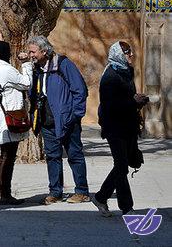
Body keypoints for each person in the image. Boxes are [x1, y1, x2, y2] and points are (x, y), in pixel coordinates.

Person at [27, 36, 90, 205]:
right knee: (52, 157)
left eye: (33, 51)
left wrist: (74, 115)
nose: (30, 54)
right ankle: (55, 192)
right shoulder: (37, 69)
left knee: (74, 155)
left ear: (44, 51)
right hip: (47, 122)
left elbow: (80, 90)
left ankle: (82, 191)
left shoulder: (63, 64)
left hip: (67, 121)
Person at [92, 41, 148, 217]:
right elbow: (110, 105)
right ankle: (126, 207)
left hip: (128, 125)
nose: (130, 55)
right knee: (122, 166)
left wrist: (137, 100)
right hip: (114, 127)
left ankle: (101, 197)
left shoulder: (126, 71)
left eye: (130, 52)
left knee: (123, 165)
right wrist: (133, 102)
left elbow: (126, 96)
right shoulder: (110, 77)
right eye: (127, 53)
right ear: (118, 54)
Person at [0, 41, 33, 205]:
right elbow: (26, 83)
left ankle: (2, 192)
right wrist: (26, 65)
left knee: (7, 154)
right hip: (8, 118)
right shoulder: (6, 69)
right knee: (7, 155)